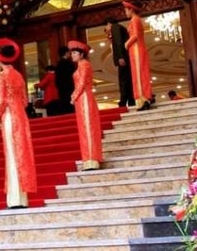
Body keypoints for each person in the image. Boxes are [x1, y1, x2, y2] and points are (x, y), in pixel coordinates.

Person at [0, 38, 37, 209]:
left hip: (10, 116)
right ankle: (22, 199)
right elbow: (25, 101)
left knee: (11, 154)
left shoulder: (1, 76)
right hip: (21, 116)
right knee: (21, 154)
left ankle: (15, 199)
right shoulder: (18, 75)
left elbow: (1, 100)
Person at [68, 40, 103, 171]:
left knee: (88, 127)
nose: (72, 55)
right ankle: (88, 159)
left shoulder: (84, 65)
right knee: (84, 128)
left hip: (85, 98)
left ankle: (92, 159)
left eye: (75, 53)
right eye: (72, 53)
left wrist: (74, 96)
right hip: (81, 99)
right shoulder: (80, 65)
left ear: (82, 54)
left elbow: (82, 83)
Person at [123, 0, 153, 111]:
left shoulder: (135, 20)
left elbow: (135, 35)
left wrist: (127, 43)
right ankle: (142, 100)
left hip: (137, 49)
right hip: (135, 49)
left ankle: (144, 99)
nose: (125, 12)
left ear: (131, 10)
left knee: (139, 74)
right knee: (138, 74)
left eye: (126, 10)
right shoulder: (135, 20)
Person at [105, 18, 135, 107]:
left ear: (109, 23)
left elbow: (118, 42)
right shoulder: (120, 28)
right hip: (127, 56)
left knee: (123, 80)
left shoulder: (115, 27)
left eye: (106, 26)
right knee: (127, 79)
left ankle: (123, 101)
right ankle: (130, 100)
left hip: (123, 57)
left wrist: (121, 57)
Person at [53, 45, 76, 115]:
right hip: (70, 87)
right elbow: (73, 75)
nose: (70, 54)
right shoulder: (69, 63)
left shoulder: (58, 64)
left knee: (65, 107)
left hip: (61, 89)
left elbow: (57, 79)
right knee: (71, 107)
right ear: (66, 53)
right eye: (69, 52)